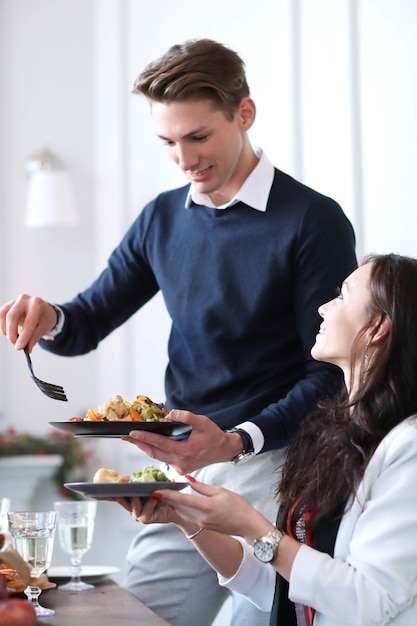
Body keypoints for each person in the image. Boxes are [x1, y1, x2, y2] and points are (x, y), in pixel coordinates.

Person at [0, 39, 357, 626]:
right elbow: (86, 320)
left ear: (244, 114)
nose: (184, 159)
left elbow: (330, 374)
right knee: (133, 615)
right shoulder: (162, 218)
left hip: (282, 468)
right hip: (187, 469)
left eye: (198, 137)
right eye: (168, 142)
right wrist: (49, 317)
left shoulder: (312, 220)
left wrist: (238, 439)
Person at [117, 253, 417, 626]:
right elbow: (277, 588)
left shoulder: (408, 450)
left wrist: (253, 526)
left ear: (377, 328)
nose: (323, 308)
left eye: (342, 296)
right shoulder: (331, 434)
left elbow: (368, 602)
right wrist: (186, 517)